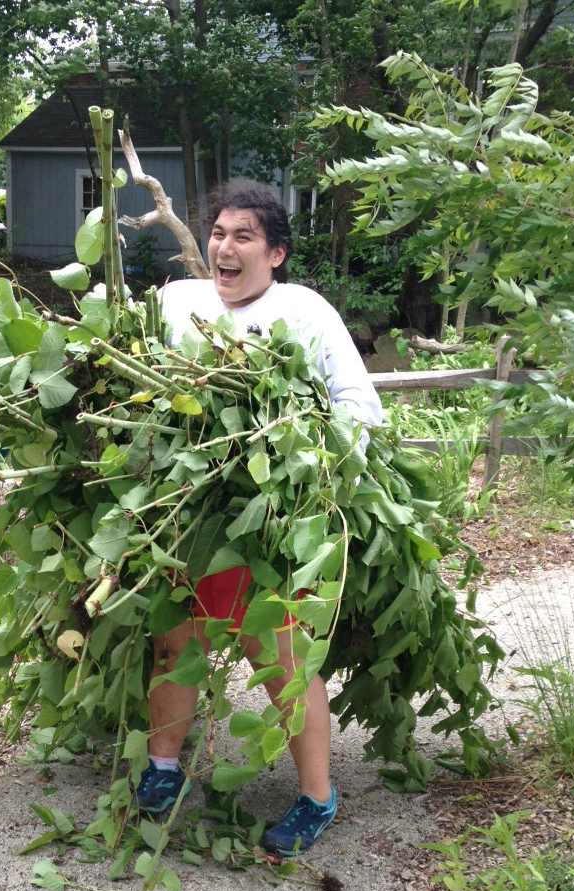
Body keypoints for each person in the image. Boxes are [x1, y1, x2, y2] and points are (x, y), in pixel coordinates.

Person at [136, 178, 382, 856]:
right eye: (218, 233)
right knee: (175, 641)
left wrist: (301, 457)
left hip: (272, 522)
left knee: (278, 658)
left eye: (243, 236)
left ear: (275, 255)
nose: (225, 246)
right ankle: (161, 768)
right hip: (184, 518)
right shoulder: (175, 302)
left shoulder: (302, 312)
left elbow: (359, 408)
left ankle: (316, 798)